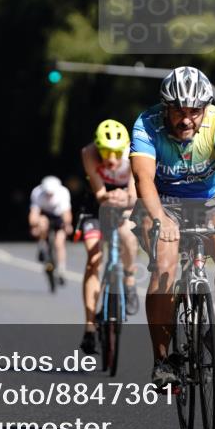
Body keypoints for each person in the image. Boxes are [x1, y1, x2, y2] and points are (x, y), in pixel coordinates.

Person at [130, 66, 215, 387]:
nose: (187, 120)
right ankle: (162, 361)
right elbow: (143, 179)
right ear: (165, 108)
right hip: (162, 201)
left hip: (211, 200)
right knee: (165, 266)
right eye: (179, 111)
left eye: (194, 112)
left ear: (205, 108)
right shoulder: (147, 124)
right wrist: (159, 219)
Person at [79, 119, 140, 354]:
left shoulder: (134, 154)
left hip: (126, 202)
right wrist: (110, 197)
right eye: (106, 152)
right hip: (97, 205)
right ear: (98, 148)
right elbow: (99, 193)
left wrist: (125, 199)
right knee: (93, 257)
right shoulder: (89, 153)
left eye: (116, 152)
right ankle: (89, 327)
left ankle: (129, 280)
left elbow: (134, 193)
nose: (111, 158)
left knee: (127, 235)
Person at [28, 176, 73, 285]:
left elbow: (66, 214)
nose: (49, 196)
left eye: (51, 194)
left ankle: (61, 270)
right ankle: (42, 244)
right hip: (45, 215)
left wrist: (67, 225)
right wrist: (34, 227)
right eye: (47, 193)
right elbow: (34, 213)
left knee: (59, 243)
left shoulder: (63, 192)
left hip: (58, 216)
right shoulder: (37, 192)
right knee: (42, 223)